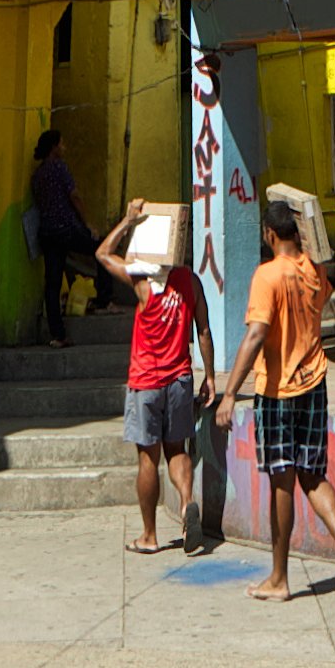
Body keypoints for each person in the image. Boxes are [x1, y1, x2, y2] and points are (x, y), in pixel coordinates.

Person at [211, 201, 335, 605]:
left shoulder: (268, 275)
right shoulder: (314, 271)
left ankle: (279, 578)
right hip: (315, 383)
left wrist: (230, 393)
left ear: (268, 234)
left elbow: (256, 334)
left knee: (282, 479)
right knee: (312, 475)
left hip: (279, 390)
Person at [97, 198, 211, 553]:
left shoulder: (142, 280)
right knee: (177, 450)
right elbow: (203, 331)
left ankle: (149, 535)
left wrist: (128, 221)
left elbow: (102, 254)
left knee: (148, 457)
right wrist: (210, 376)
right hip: (180, 381)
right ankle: (187, 499)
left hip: (146, 382)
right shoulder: (191, 282)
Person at [26, 130, 95, 345]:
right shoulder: (59, 168)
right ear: (54, 147)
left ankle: (58, 334)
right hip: (66, 228)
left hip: (47, 233)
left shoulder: (37, 175)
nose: (64, 148)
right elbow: (74, 196)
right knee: (101, 251)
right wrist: (87, 223)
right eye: (62, 144)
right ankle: (106, 299)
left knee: (52, 283)